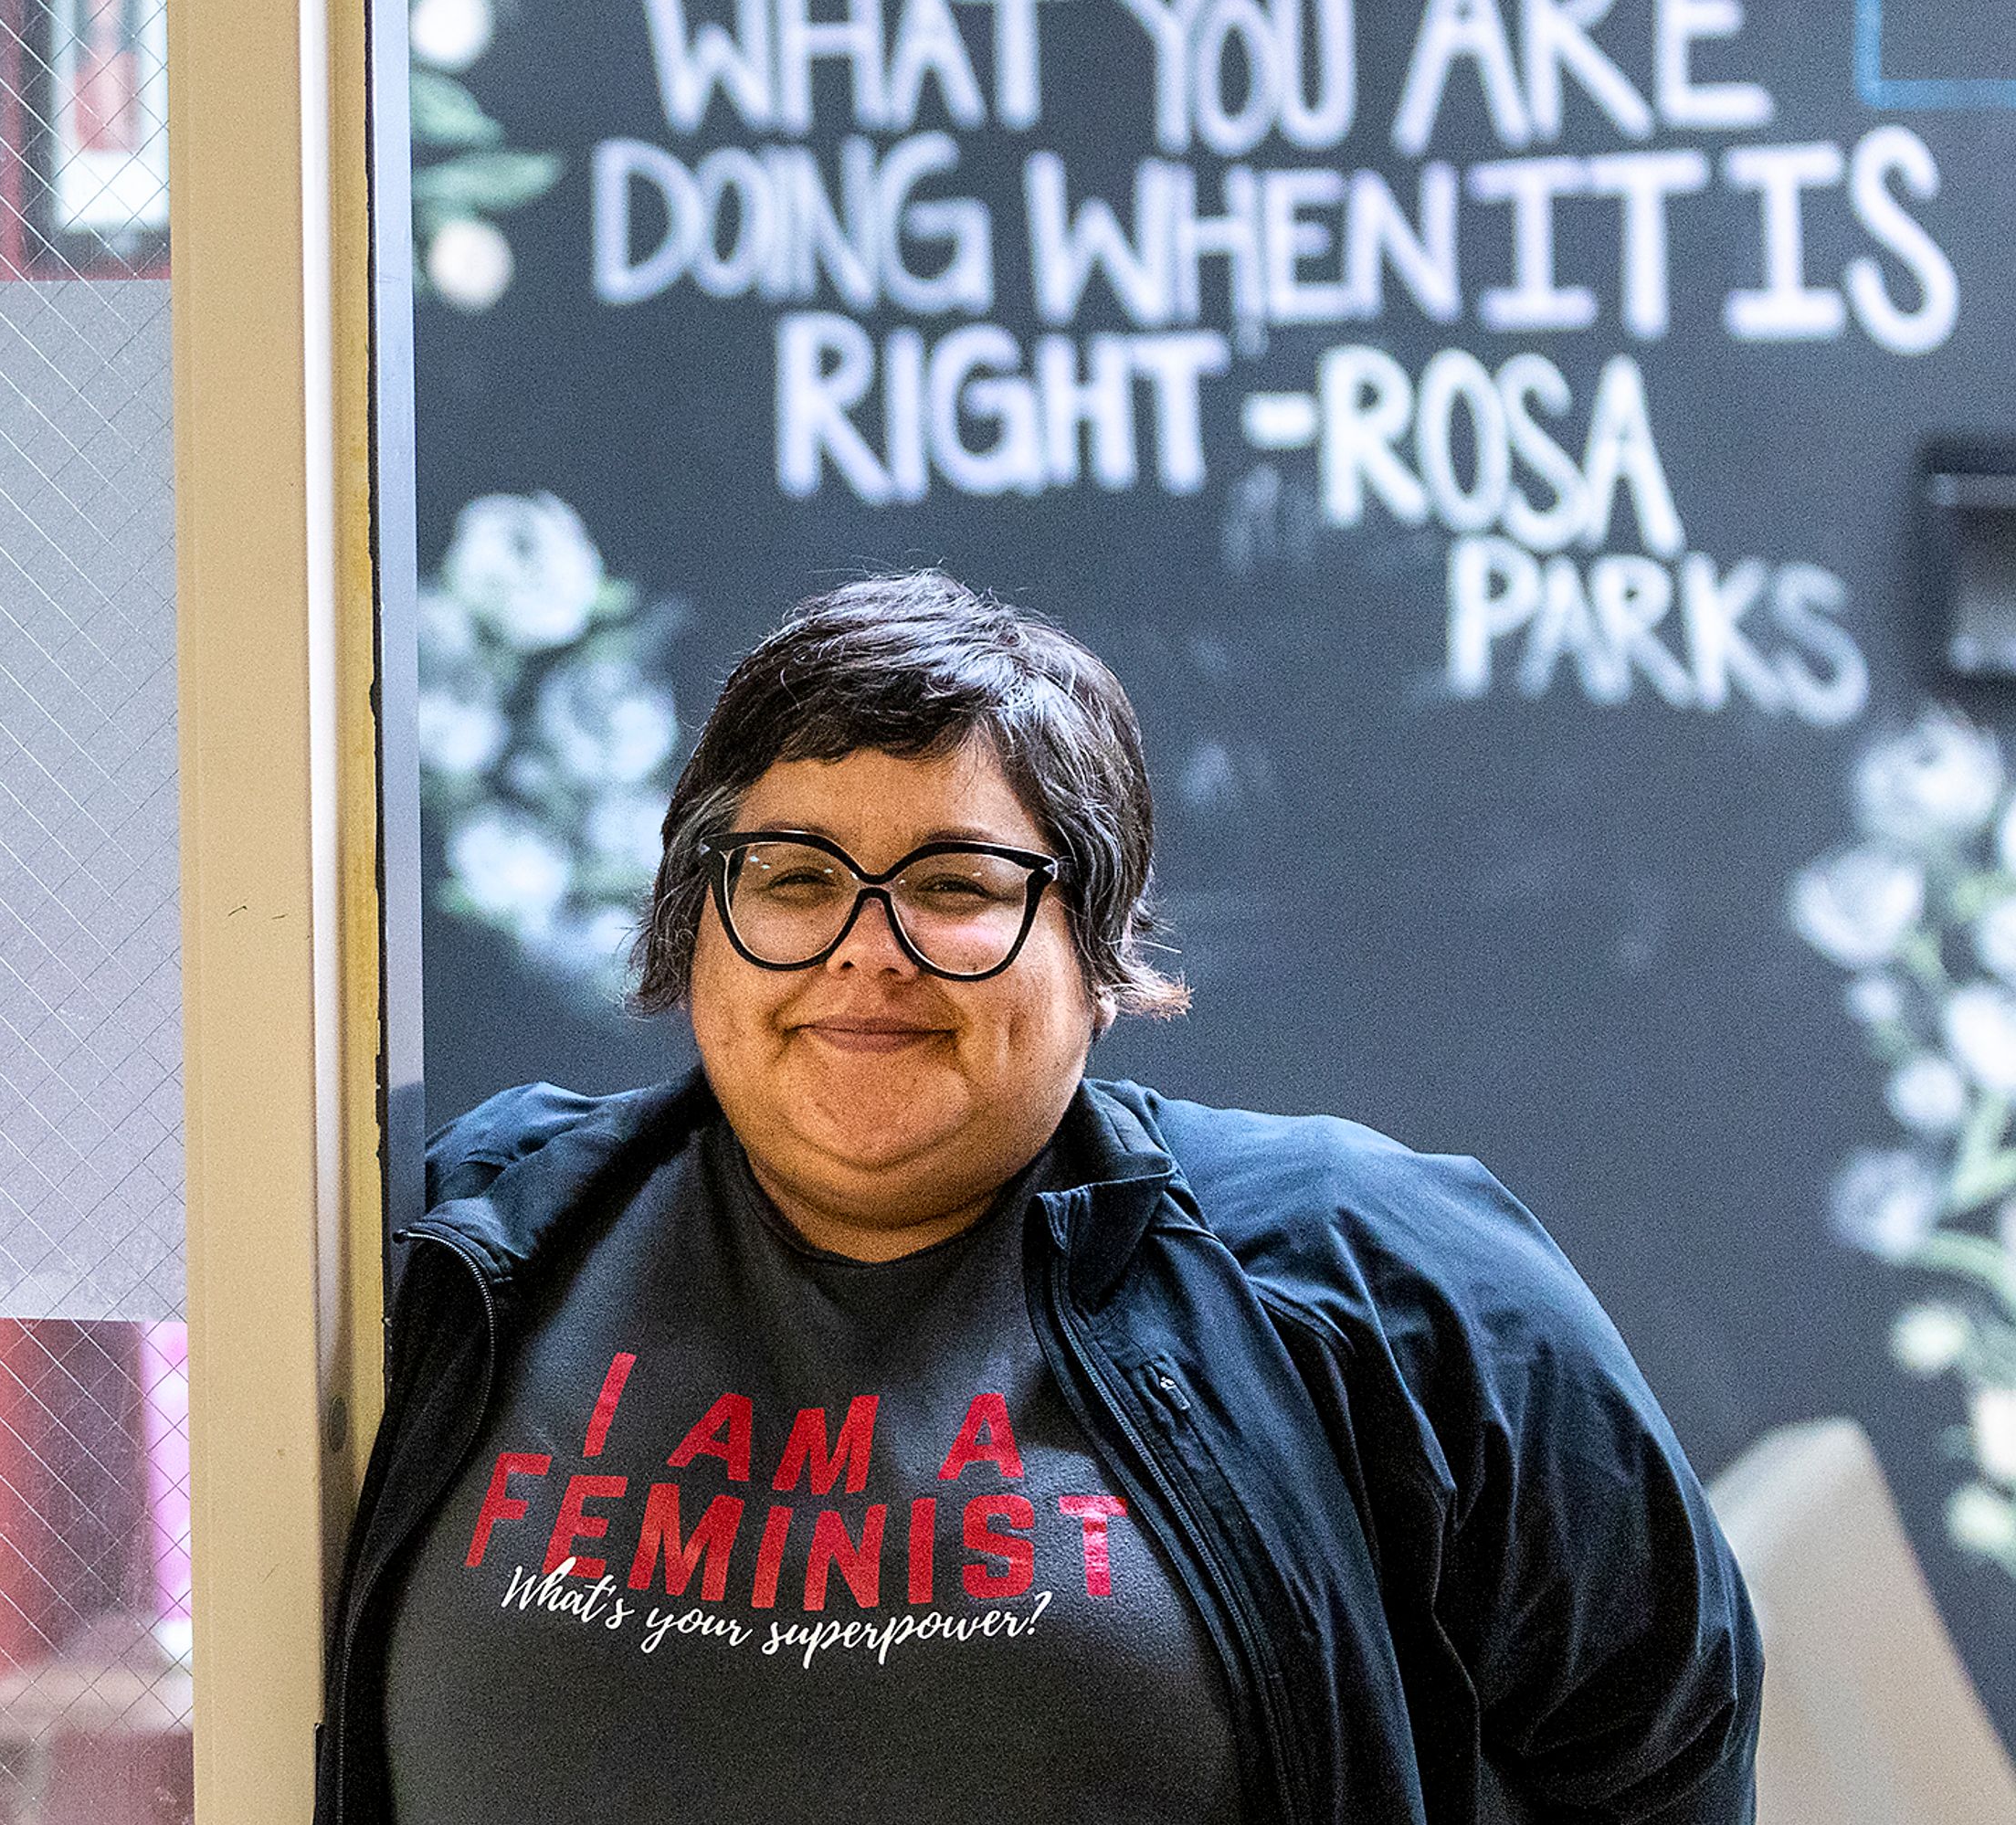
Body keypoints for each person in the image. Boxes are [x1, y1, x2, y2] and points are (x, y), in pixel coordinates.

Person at [324, 572, 1759, 1824]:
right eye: (795, 874)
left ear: (1095, 937)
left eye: (955, 883)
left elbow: (1659, 1749)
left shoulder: (1378, 1277)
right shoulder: (461, 1247)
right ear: (701, 914)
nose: (863, 950)